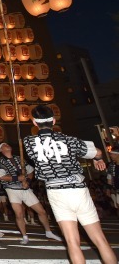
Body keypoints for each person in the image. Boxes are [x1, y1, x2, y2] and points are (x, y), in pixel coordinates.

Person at [24, 105, 116, 264]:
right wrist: (98, 159)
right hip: (78, 189)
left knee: (73, 242)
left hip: (56, 191)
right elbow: (98, 152)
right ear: (53, 120)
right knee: (100, 239)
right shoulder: (69, 140)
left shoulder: (28, 142)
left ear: (34, 122)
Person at [0, 142, 62, 244]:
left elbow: (31, 171)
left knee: (42, 211)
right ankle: (24, 236)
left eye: (7, 144)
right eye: (4, 145)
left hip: (25, 189)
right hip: (12, 190)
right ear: (1, 150)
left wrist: (28, 182)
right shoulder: (0, 162)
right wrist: (17, 178)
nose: (7, 145)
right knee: (19, 214)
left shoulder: (19, 158)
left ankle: (48, 232)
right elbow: (1, 177)